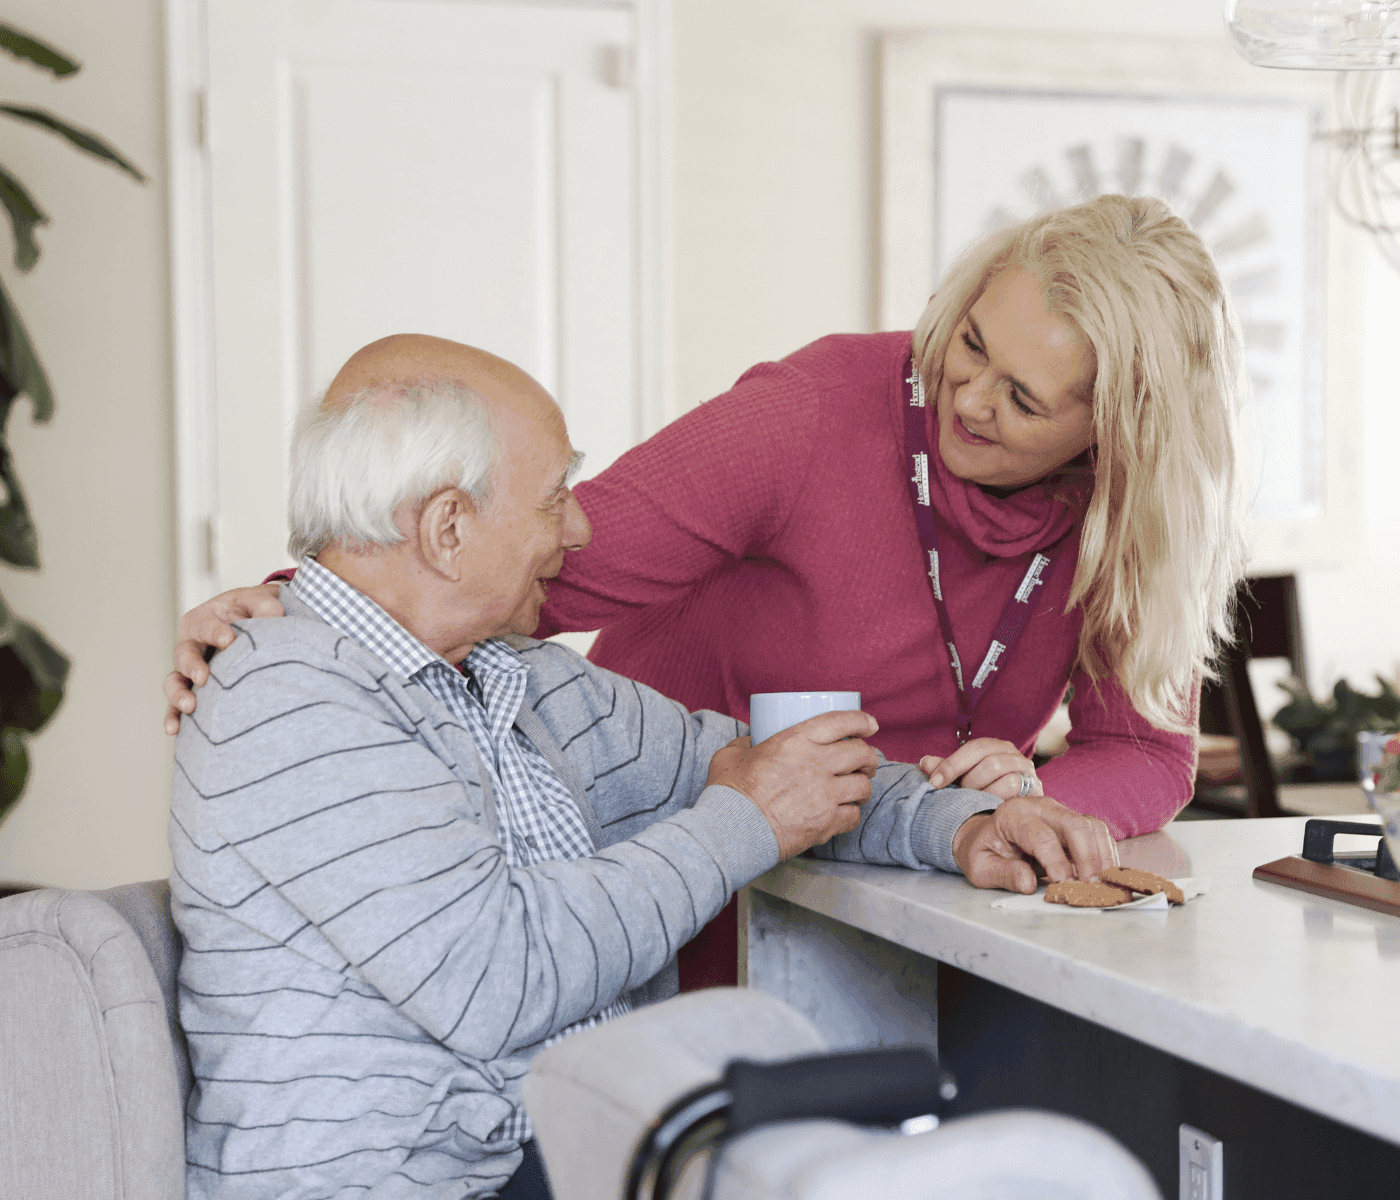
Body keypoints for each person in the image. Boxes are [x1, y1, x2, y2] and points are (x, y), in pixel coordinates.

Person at [165, 193, 1244, 988]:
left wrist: (1032, 807)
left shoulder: (1129, 517)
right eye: (967, 342)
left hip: (904, 864)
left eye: (1022, 396)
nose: (964, 395)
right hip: (672, 864)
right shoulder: (812, 413)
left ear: (1112, 435)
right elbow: (539, 559)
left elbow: (1146, 752)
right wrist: (303, 607)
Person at [171, 335, 1116, 1200]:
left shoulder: (523, 679)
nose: (579, 531)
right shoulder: (290, 698)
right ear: (448, 528)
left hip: (564, 1158)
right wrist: (742, 819)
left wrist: (966, 827)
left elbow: (765, 769)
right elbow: (498, 979)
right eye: (554, 498)